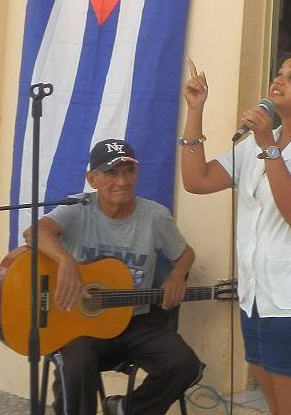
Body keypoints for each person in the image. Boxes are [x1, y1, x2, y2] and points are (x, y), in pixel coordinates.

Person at [180, 54, 291, 415]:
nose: (279, 80)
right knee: (275, 408)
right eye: (278, 74)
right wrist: (195, 111)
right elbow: (197, 181)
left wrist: (267, 148)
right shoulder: (260, 142)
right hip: (257, 297)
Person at [24, 139, 204, 415]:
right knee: (77, 362)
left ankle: (124, 409)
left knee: (185, 364)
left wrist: (178, 274)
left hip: (138, 321)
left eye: (129, 171)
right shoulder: (77, 210)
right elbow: (34, 232)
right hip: (82, 326)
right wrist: (65, 260)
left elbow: (185, 253)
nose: (122, 181)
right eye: (111, 173)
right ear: (92, 179)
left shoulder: (155, 217)